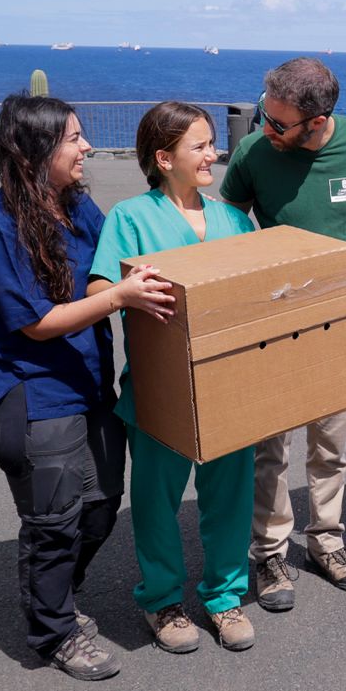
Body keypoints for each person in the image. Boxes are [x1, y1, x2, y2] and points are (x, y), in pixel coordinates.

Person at [0, 93, 175, 680]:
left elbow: (110, 269)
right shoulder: (0, 229)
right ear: (35, 151)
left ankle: (54, 596)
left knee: (102, 508)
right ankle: (52, 631)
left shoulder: (73, 207)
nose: (87, 148)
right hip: (33, 396)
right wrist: (120, 299)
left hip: (86, 385)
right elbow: (37, 323)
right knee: (54, 521)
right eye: (73, 139)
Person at [219, 57, 346, 611]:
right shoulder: (253, 153)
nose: (265, 131)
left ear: (318, 120)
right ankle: (270, 551)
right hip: (274, 326)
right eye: (263, 117)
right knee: (270, 445)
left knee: (331, 442)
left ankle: (326, 541)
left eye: (279, 124)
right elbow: (226, 223)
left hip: (339, 320)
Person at [88, 102, 258, 653]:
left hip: (229, 383)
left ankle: (225, 598)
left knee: (230, 494)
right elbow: (97, 291)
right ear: (164, 158)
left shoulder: (233, 218)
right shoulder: (131, 218)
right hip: (161, 388)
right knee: (157, 498)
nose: (214, 154)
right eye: (200, 146)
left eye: (213, 143)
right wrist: (127, 292)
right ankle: (161, 601)